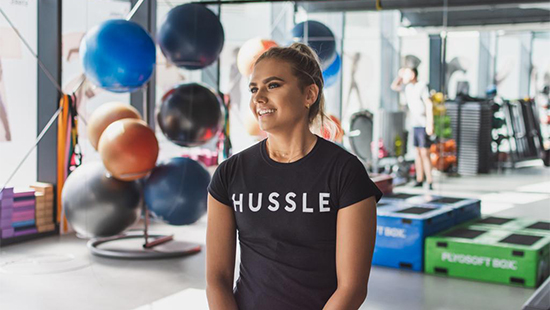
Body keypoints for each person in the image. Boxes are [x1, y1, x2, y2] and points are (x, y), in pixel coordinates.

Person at [206, 43, 383, 310]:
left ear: (309, 94)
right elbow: (217, 279)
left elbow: (352, 288)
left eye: (273, 85)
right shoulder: (230, 174)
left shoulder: (346, 174)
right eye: (254, 89)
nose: (258, 98)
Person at [391, 67, 434, 190]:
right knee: (417, 153)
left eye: (408, 73)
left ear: (414, 74)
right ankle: (419, 178)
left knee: (425, 152)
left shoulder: (422, 85)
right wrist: (400, 75)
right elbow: (394, 86)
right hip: (414, 124)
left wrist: (430, 123)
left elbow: (428, 104)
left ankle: (429, 180)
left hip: (423, 124)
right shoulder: (408, 88)